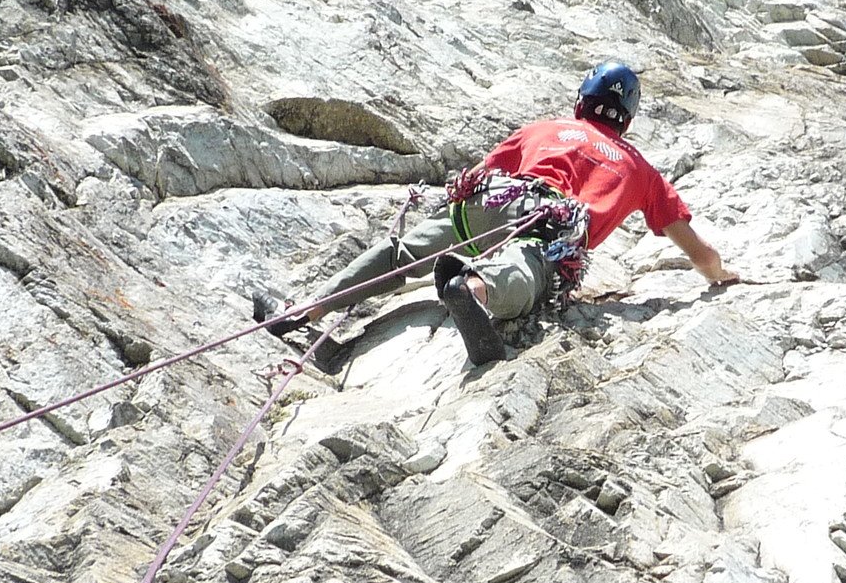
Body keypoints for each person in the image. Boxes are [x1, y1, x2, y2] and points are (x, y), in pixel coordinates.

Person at [255, 61, 738, 364]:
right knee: (529, 266)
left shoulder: (544, 129)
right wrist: (720, 274)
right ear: (627, 121)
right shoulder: (641, 170)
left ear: (580, 103)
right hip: (547, 224)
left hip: (490, 202)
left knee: (403, 252)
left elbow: (479, 175)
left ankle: (304, 308)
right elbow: (699, 253)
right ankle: (475, 292)